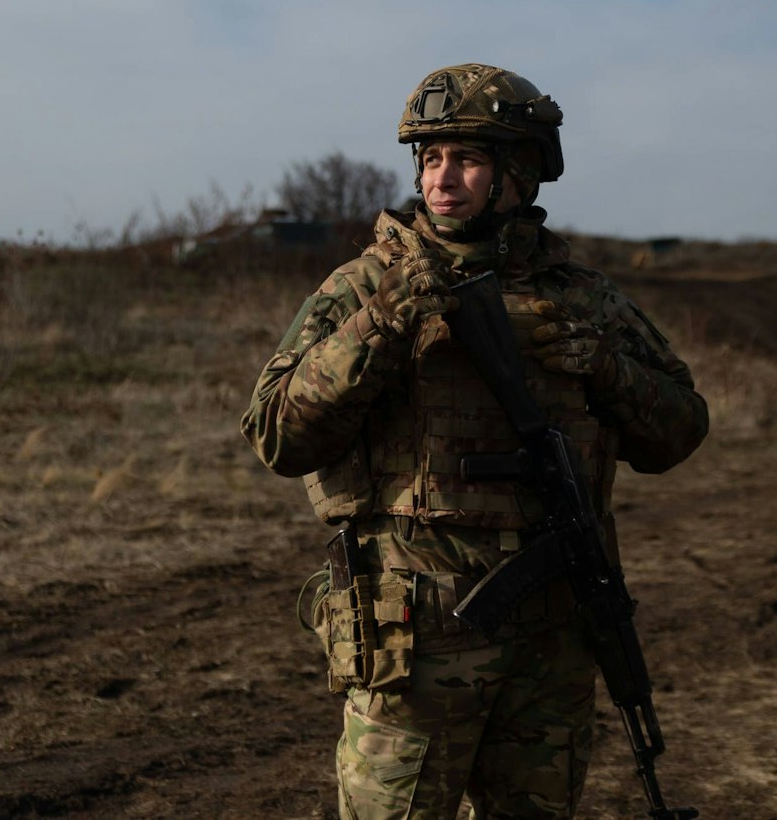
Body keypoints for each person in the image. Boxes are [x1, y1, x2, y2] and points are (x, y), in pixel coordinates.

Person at [243, 64, 708, 819]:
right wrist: (382, 327)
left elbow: (680, 430)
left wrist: (605, 368)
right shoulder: (367, 286)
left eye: (466, 158)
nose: (441, 178)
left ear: (518, 171)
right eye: (430, 159)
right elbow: (276, 434)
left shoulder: (581, 298)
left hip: (553, 639)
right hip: (415, 642)